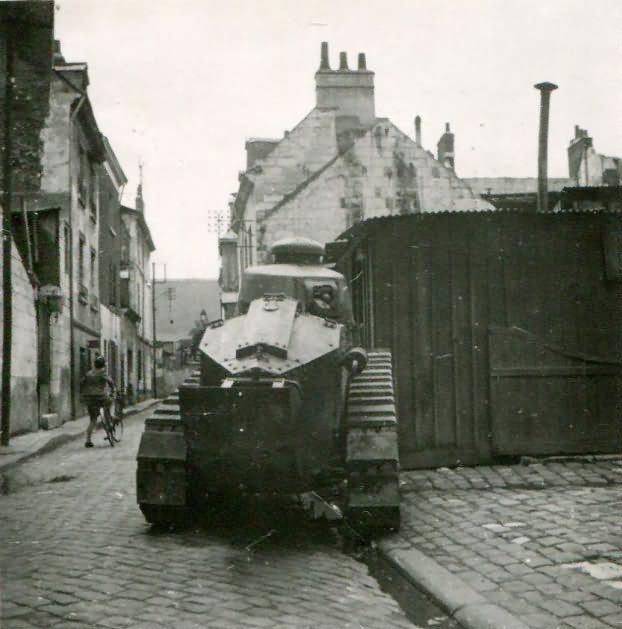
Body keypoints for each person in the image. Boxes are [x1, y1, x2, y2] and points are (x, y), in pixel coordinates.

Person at [80, 355, 116, 448]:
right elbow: (110, 381)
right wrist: (113, 390)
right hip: (101, 396)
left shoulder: (88, 373)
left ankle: (88, 440)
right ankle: (110, 418)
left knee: (93, 420)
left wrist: (83, 393)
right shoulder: (102, 372)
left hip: (89, 398)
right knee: (110, 401)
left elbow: (82, 382)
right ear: (103, 365)